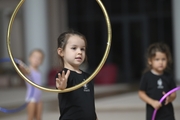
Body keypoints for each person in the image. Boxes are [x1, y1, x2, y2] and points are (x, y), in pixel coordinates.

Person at [55, 30, 98, 120]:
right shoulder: (64, 75)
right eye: (74, 48)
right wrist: (62, 87)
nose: (79, 52)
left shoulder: (87, 76)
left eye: (82, 49)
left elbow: (90, 105)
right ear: (61, 52)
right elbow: (61, 86)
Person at [138, 42, 177, 120]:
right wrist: (152, 102)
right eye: (157, 59)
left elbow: (173, 93)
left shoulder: (168, 76)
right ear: (150, 61)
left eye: (163, 59)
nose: (160, 62)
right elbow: (141, 93)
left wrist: (170, 98)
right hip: (153, 113)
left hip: (167, 114)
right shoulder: (147, 76)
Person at [20, 49, 44, 120]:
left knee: (39, 118)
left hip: (39, 97)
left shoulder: (39, 71)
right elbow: (25, 71)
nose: (36, 59)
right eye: (34, 57)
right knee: (30, 118)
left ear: (41, 61)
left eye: (39, 58)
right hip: (31, 98)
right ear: (29, 58)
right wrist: (22, 67)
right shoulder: (28, 70)